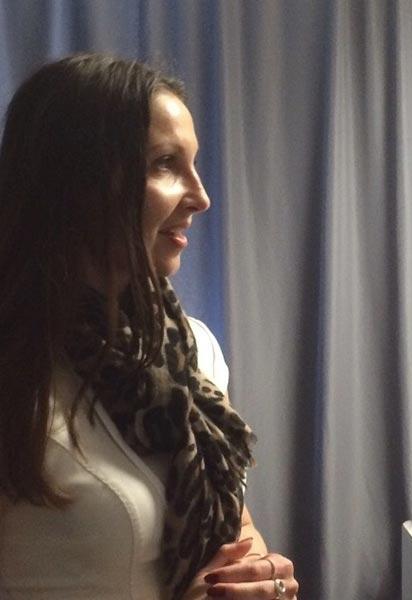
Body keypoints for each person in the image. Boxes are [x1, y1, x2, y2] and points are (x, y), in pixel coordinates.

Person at [0, 53, 299, 600]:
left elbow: (237, 531)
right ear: (77, 179)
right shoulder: (18, 374)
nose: (201, 197)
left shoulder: (194, 350)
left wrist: (262, 578)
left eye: (194, 165)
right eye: (165, 164)